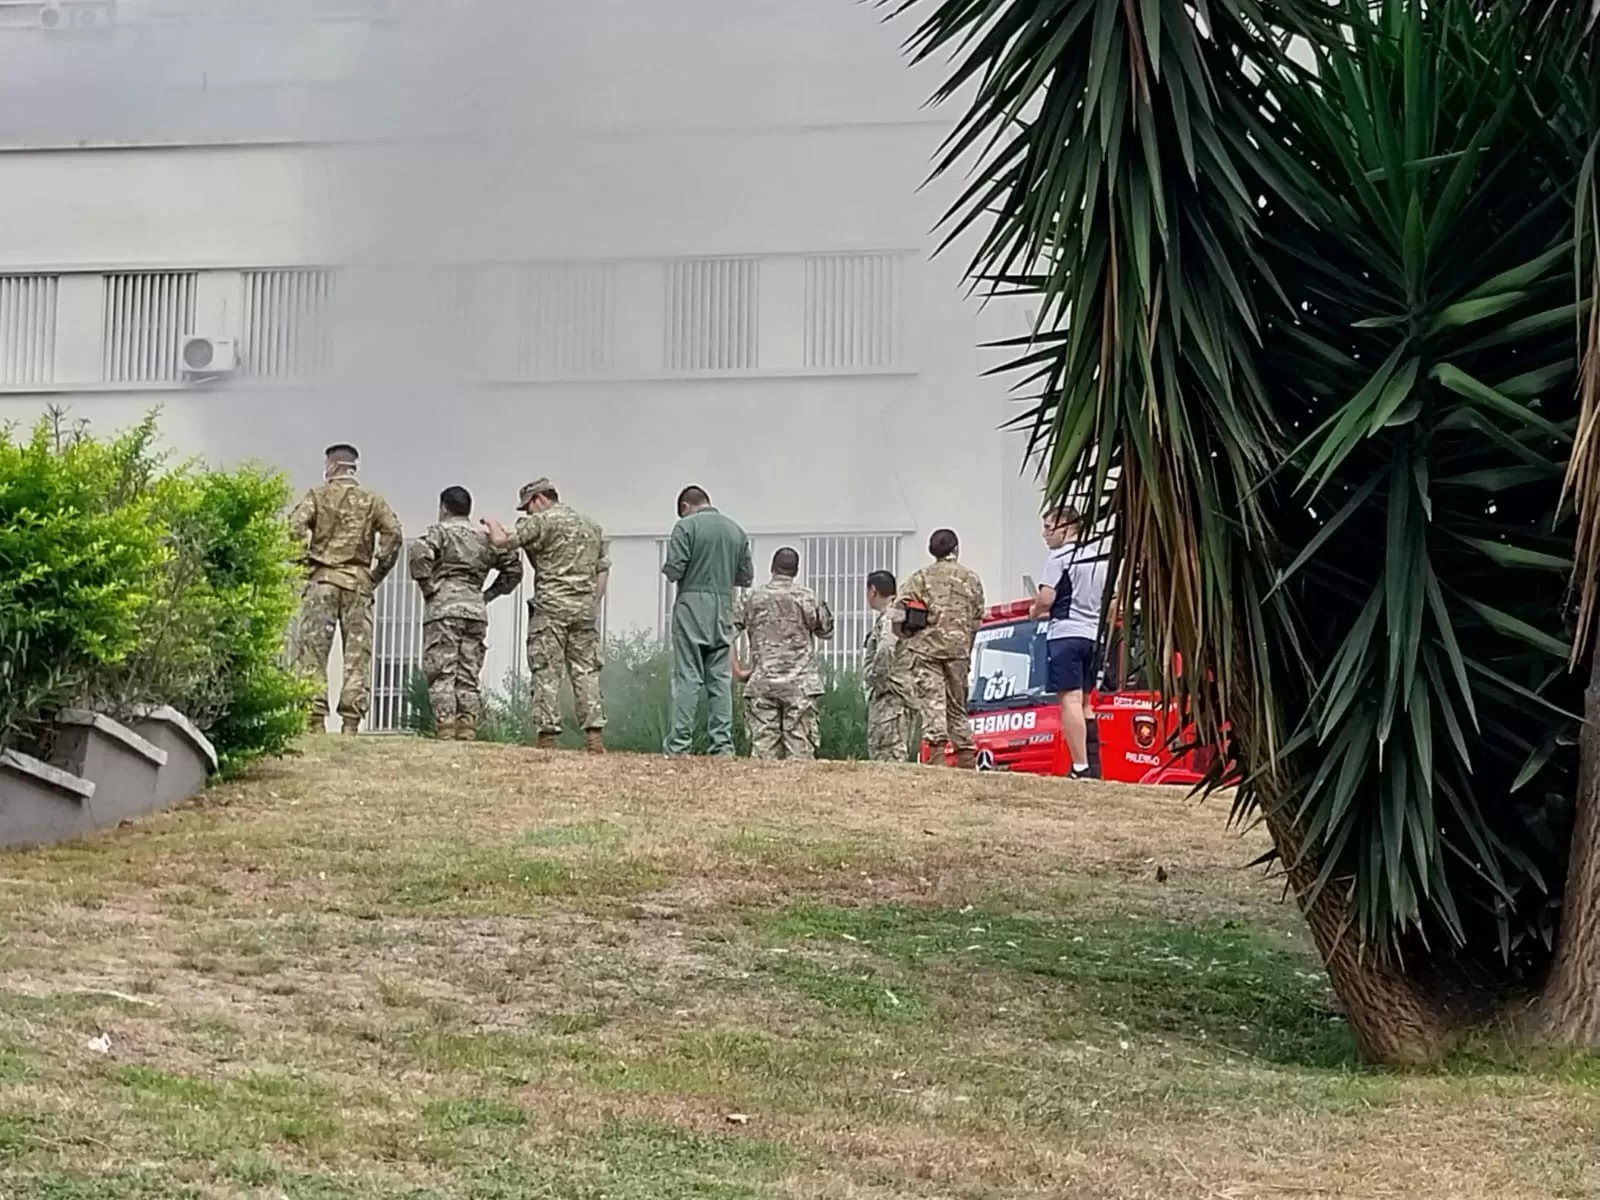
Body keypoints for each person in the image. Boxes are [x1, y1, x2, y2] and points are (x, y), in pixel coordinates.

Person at [484, 479, 609, 753]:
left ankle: (547, 739)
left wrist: (492, 523)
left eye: (527, 507)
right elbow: (603, 570)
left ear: (538, 499)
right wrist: (590, 603)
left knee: (547, 672)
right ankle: (594, 737)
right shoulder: (591, 525)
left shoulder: (542, 521)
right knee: (586, 671)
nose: (527, 514)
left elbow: (502, 541)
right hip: (583, 611)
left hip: (551, 610)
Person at [287, 443, 403, 734]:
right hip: (358, 583)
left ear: (333, 466)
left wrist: (304, 564)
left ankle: (314, 720)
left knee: (313, 651)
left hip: (322, 581)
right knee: (357, 654)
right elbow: (394, 533)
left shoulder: (317, 496)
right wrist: (377, 573)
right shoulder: (372, 500)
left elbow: (294, 527)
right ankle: (351, 722)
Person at [407, 486, 523, 741]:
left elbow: (418, 554)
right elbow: (514, 569)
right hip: (475, 611)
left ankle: (446, 726)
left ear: (443, 508)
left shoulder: (440, 532)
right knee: (468, 672)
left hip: (443, 611)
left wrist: (429, 588)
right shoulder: (484, 539)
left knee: (443, 670)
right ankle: (467, 727)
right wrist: (487, 595)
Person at [661, 485, 754, 757]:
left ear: (685, 506)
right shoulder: (736, 530)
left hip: (692, 604)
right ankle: (722, 746)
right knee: (720, 679)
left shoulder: (685, 527)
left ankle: (679, 745)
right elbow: (745, 577)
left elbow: (675, 569)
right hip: (724, 605)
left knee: (687, 677)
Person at [1031, 505, 1113, 779]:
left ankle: (1080, 765)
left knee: (1070, 700)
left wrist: (1034, 612)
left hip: (1065, 633)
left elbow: (1046, 599)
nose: (1044, 535)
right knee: (1088, 703)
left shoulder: (1059, 558)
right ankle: (1093, 764)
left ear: (1066, 528)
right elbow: (1112, 600)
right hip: (1093, 634)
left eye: (1048, 528)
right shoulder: (1099, 557)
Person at [732, 547, 834, 760]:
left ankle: (765, 793)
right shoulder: (808, 598)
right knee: (800, 757)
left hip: (762, 684)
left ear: (772, 567)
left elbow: (724, 634)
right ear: (796, 570)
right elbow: (827, 631)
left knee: (763, 756)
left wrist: (738, 671)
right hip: (800, 686)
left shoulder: (752, 598)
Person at [896, 529, 985, 769]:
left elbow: (898, 613)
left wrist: (904, 634)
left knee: (933, 703)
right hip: (958, 650)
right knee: (957, 705)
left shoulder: (920, 578)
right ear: (955, 548)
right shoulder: (971, 578)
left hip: (926, 650)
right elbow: (977, 618)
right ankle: (965, 756)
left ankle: (937, 759)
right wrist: (966, 643)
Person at [863, 569, 916, 762]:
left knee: (888, 756)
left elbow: (885, 648)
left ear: (873, 591)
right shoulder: (899, 614)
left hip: (890, 698)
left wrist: (877, 681)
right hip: (898, 696)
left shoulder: (890, 617)